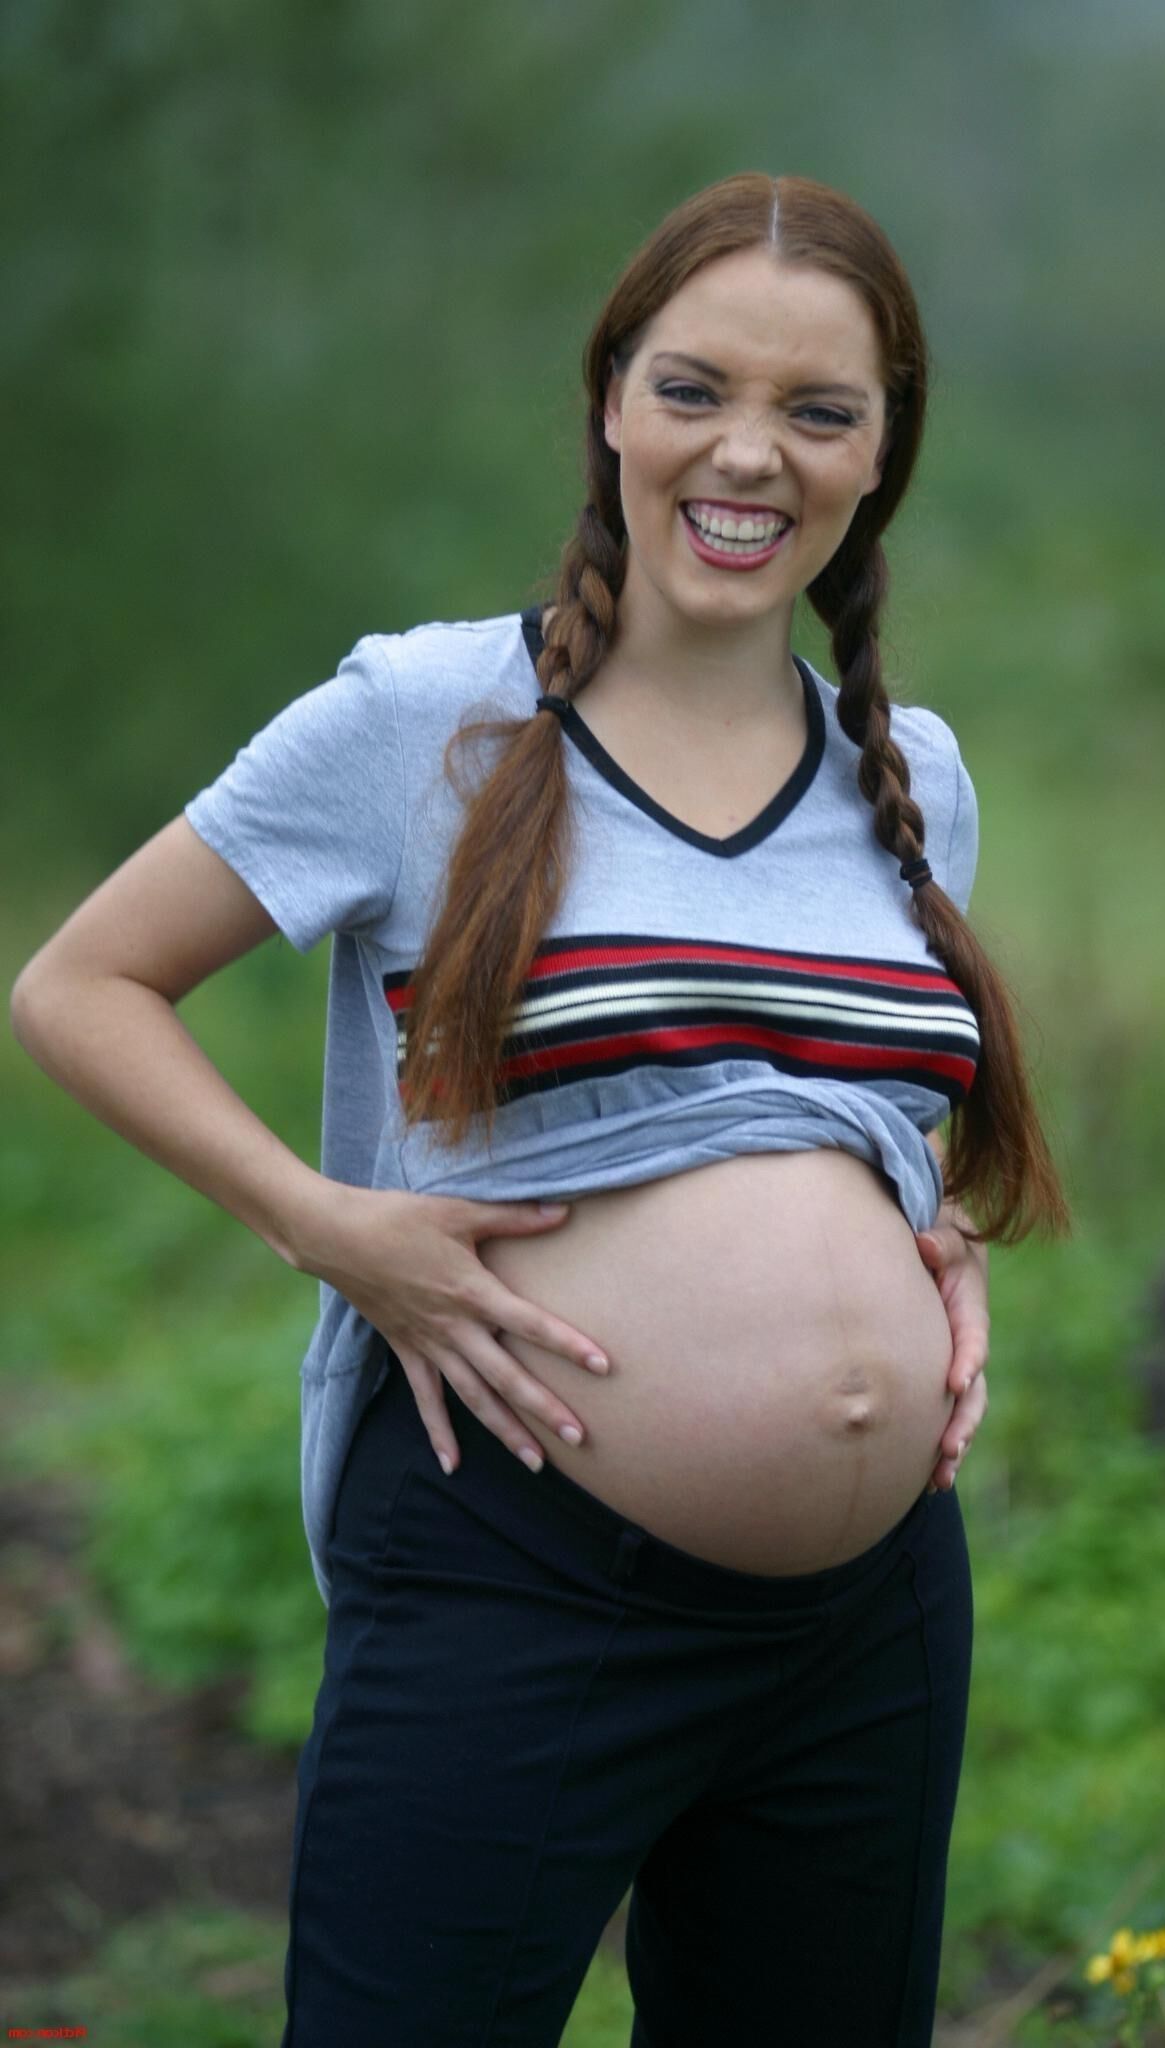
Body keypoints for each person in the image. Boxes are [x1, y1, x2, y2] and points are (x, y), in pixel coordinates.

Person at [10, 171, 1070, 2046]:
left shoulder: (914, 777)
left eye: (820, 412)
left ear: (882, 454)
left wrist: (939, 1252)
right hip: (515, 1569)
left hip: (864, 1622)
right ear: (610, 401)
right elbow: (80, 987)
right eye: (695, 389)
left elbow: (855, 1112)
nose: (749, 455)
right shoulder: (426, 718)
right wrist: (327, 1226)